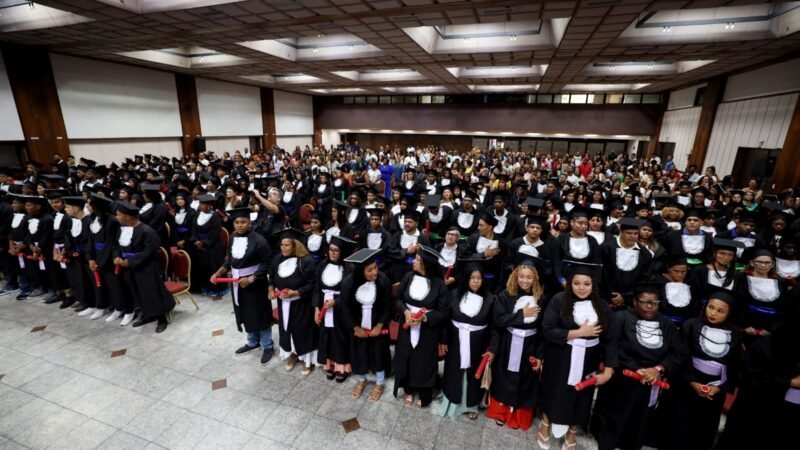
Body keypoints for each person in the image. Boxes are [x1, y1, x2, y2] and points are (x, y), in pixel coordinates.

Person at [590, 284, 687, 450]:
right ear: (634, 302)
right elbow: (612, 346)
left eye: (655, 303)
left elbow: (678, 353)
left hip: (651, 380)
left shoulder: (667, 324)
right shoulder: (620, 318)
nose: (650, 306)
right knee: (614, 414)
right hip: (622, 377)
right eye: (644, 302)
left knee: (640, 418)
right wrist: (636, 368)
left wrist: (658, 369)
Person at [539, 261, 616, 450]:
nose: (582, 288)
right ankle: (546, 423)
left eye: (587, 284)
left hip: (589, 358)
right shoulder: (558, 300)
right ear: (570, 283)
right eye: (576, 283)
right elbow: (547, 329)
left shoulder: (602, 306)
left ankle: (572, 431)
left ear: (593, 285)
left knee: (581, 396)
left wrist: (608, 369)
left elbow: (611, 339)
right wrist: (579, 332)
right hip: (560, 355)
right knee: (554, 390)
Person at [665, 291, 742, 450]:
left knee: (705, 426)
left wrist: (719, 388)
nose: (713, 313)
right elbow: (681, 355)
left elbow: (734, 364)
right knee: (680, 423)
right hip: (688, 381)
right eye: (710, 307)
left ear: (729, 313)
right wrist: (692, 382)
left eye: (720, 311)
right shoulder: (691, 325)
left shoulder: (735, 333)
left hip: (715, 386)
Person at [487, 263, 546, 431]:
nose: (525, 281)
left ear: (535, 278)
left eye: (529, 277)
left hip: (531, 345)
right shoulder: (505, 295)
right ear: (515, 276)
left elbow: (543, 329)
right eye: (521, 276)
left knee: (526, 380)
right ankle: (501, 412)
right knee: (504, 377)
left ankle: (518, 416)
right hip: (508, 341)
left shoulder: (541, 298)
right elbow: (499, 320)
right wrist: (522, 315)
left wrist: (540, 356)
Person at [210, 207, 273, 364]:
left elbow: (267, 264)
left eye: (243, 222)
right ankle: (252, 342)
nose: (239, 225)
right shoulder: (232, 238)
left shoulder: (259, 241)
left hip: (256, 284)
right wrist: (218, 273)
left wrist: (251, 278)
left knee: (259, 313)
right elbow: (230, 260)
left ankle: (267, 345)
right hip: (237, 283)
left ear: (249, 223)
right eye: (237, 222)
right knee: (244, 311)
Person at [393, 246, 449, 408]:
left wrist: (425, 317)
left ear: (425, 264)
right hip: (407, 326)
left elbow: (443, 312)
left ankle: (424, 394)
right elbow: (399, 299)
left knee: (424, 362)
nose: (413, 262)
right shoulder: (408, 277)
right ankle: (409, 390)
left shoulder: (439, 285)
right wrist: (405, 312)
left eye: (417, 260)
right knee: (406, 357)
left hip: (427, 331)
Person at [439, 260, 496, 420]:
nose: (476, 281)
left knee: (472, 374)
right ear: (466, 279)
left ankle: (471, 405)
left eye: (479, 278)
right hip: (455, 341)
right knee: (454, 371)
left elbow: (494, 328)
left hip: (478, 344)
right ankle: (450, 401)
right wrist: (443, 340)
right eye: (472, 278)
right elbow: (446, 319)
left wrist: (491, 348)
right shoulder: (455, 294)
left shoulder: (490, 300)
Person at [339, 248, 393, 402]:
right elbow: (345, 308)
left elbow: (387, 306)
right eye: (369, 270)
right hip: (358, 328)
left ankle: (380, 383)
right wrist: (356, 328)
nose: (375, 272)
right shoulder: (349, 283)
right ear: (360, 271)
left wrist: (379, 325)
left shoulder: (383, 281)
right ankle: (361, 379)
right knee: (358, 353)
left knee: (379, 354)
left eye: (376, 267)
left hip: (378, 327)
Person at [112, 201, 175, 333]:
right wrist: (117, 257)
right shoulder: (123, 229)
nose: (116, 217)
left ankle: (161, 318)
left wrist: (130, 261)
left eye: (118, 215)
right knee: (136, 292)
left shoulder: (147, 231)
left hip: (146, 267)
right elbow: (117, 246)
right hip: (129, 267)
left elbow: (149, 251)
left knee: (151, 293)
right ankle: (147, 314)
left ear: (128, 216)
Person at [268, 227, 317, 376]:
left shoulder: (305, 261)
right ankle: (293, 354)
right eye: (282, 245)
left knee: (302, 331)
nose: (283, 248)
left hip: (301, 303)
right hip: (284, 304)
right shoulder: (277, 259)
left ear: (295, 245)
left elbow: (312, 283)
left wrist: (296, 292)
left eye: (287, 245)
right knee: (287, 330)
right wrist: (271, 290)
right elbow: (271, 277)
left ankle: (307, 360)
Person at [313, 235, 355, 382]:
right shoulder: (322, 265)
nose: (332, 253)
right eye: (330, 250)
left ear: (342, 252)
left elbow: (350, 293)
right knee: (326, 336)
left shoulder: (348, 269)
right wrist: (316, 309)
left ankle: (341, 367)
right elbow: (317, 288)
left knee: (340, 338)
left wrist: (336, 302)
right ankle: (329, 364)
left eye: (336, 250)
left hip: (340, 310)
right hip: (324, 306)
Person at [190, 194, 226, 299]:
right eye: (200, 203)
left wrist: (204, 243)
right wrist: (196, 240)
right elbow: (194, 229)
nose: (200, 206)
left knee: (212, 267)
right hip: (198, 245)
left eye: (203, 204)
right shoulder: (197, 215)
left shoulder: (215, 217)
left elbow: (215, 233)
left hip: (213, 246)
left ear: (210, 206)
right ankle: (204, 287)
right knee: (202, 268)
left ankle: (216, 290)